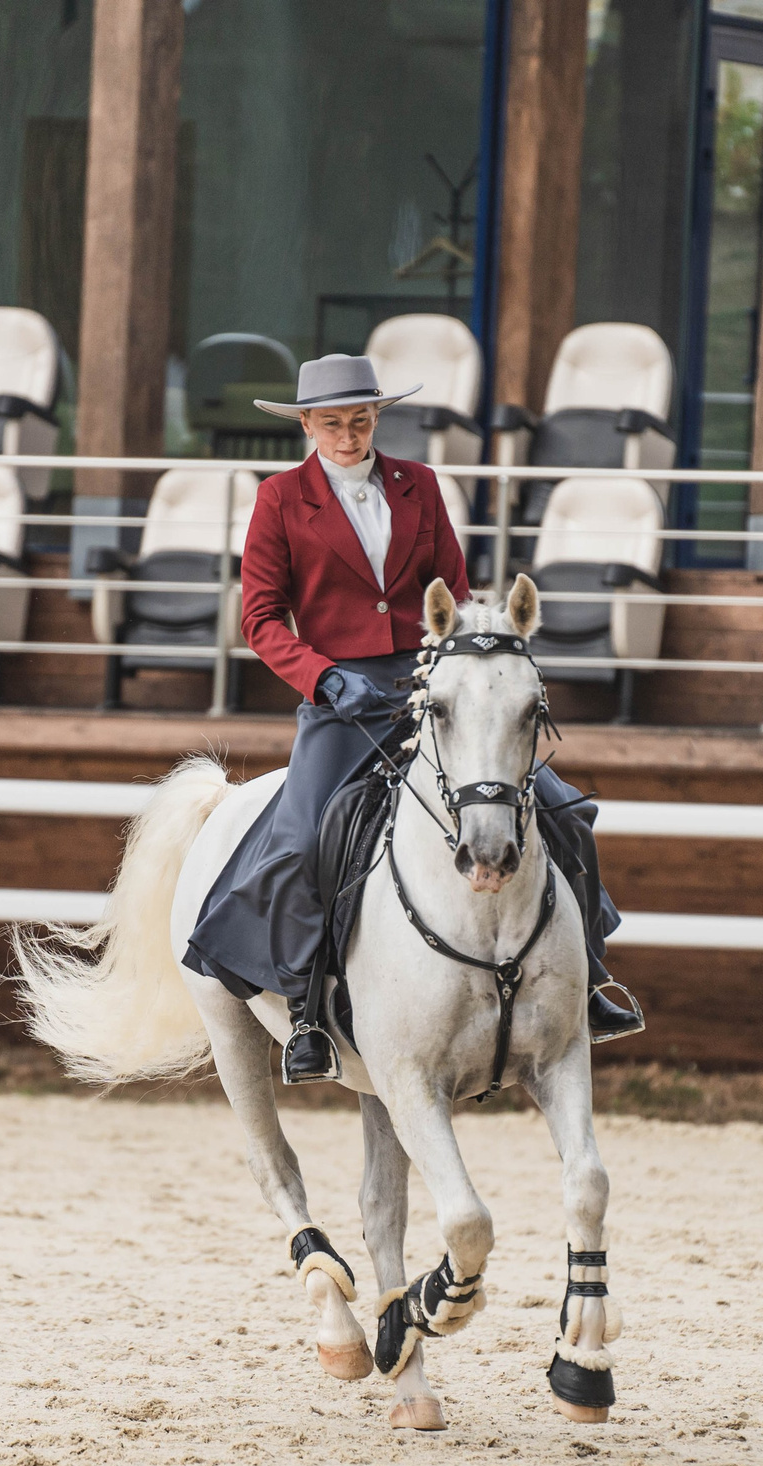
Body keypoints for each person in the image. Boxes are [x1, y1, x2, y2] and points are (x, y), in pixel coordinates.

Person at [179, 352, 643, 1085]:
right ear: (306, 424)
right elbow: (262, 620)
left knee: (560, 813)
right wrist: (325, 677)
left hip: (432, 685)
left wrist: (455, 663)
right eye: (331, 422)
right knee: (302, 839)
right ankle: (305, 1014)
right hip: (341, 700)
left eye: (360, 419)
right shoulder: (277, 500)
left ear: (376, 417)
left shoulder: (419, 486)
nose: (348, 434)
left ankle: (588, 981)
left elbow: (453, 590)